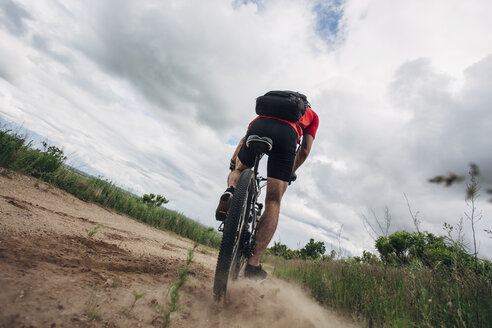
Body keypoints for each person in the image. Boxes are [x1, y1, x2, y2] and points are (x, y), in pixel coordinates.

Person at [216, 98, 319, 279]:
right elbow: (304, 151)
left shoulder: (268, 109)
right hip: (287, 135)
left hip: (258, 128)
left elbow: (243, 139)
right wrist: (289, 172)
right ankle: (253, 265)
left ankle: (231, 191)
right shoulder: (312, 116)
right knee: (273, 201)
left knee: (240, 170)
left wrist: (234, 163)